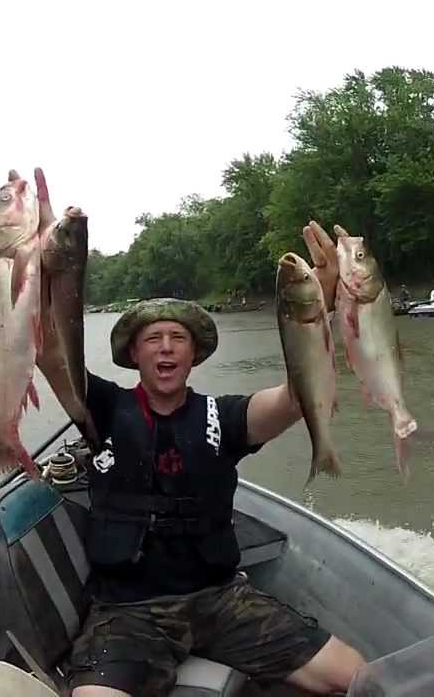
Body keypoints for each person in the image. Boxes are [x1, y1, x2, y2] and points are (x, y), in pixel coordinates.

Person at [67, 221, 366, 697]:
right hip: (127, 613)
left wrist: (318, 311)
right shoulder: (101, 407)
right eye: (153, 338)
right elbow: (49, 354)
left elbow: (297, 396)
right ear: (134, 354)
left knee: (357, 678)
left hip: (222, 600)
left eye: (178, 338)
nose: (167, 347)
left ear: (194, 355)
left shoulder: (224, 417)